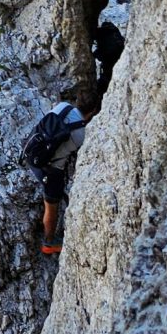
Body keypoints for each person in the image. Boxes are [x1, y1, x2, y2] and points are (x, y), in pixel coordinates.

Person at [22, 86, 98, 255]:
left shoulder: (62, 106)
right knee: (51, 207)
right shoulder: (82, 133)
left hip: (32, 154)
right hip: (50, 172)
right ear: (93, 112)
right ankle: (49, 243)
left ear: (77, 101)